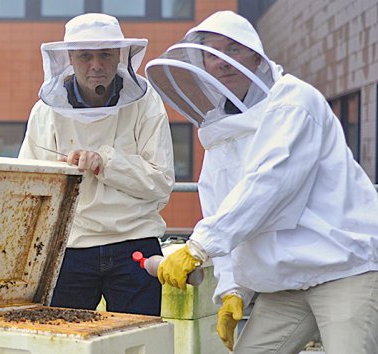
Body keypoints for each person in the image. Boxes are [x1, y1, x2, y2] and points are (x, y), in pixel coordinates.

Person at [145, 10, 378, 354]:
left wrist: (198, 247)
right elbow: (222, 208)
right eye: (211, 54)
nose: (222, 62)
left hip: (344, 268)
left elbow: (269, 186)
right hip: (284, 284)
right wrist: (231, 289)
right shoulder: (220, 132)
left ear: (256, 55)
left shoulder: (296, 102)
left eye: (233, 50)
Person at [18, 13, 175, 316]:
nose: (96, 65)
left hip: (135, 244)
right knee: (65, 342)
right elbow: (29, 186)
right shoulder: (45, 112)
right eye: (85, 56)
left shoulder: (146, 102)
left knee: (136, 342)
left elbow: (160, 181)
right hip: (68, 247)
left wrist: (105, 162)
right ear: (69, 58)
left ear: (119, 55)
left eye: (105, 54)